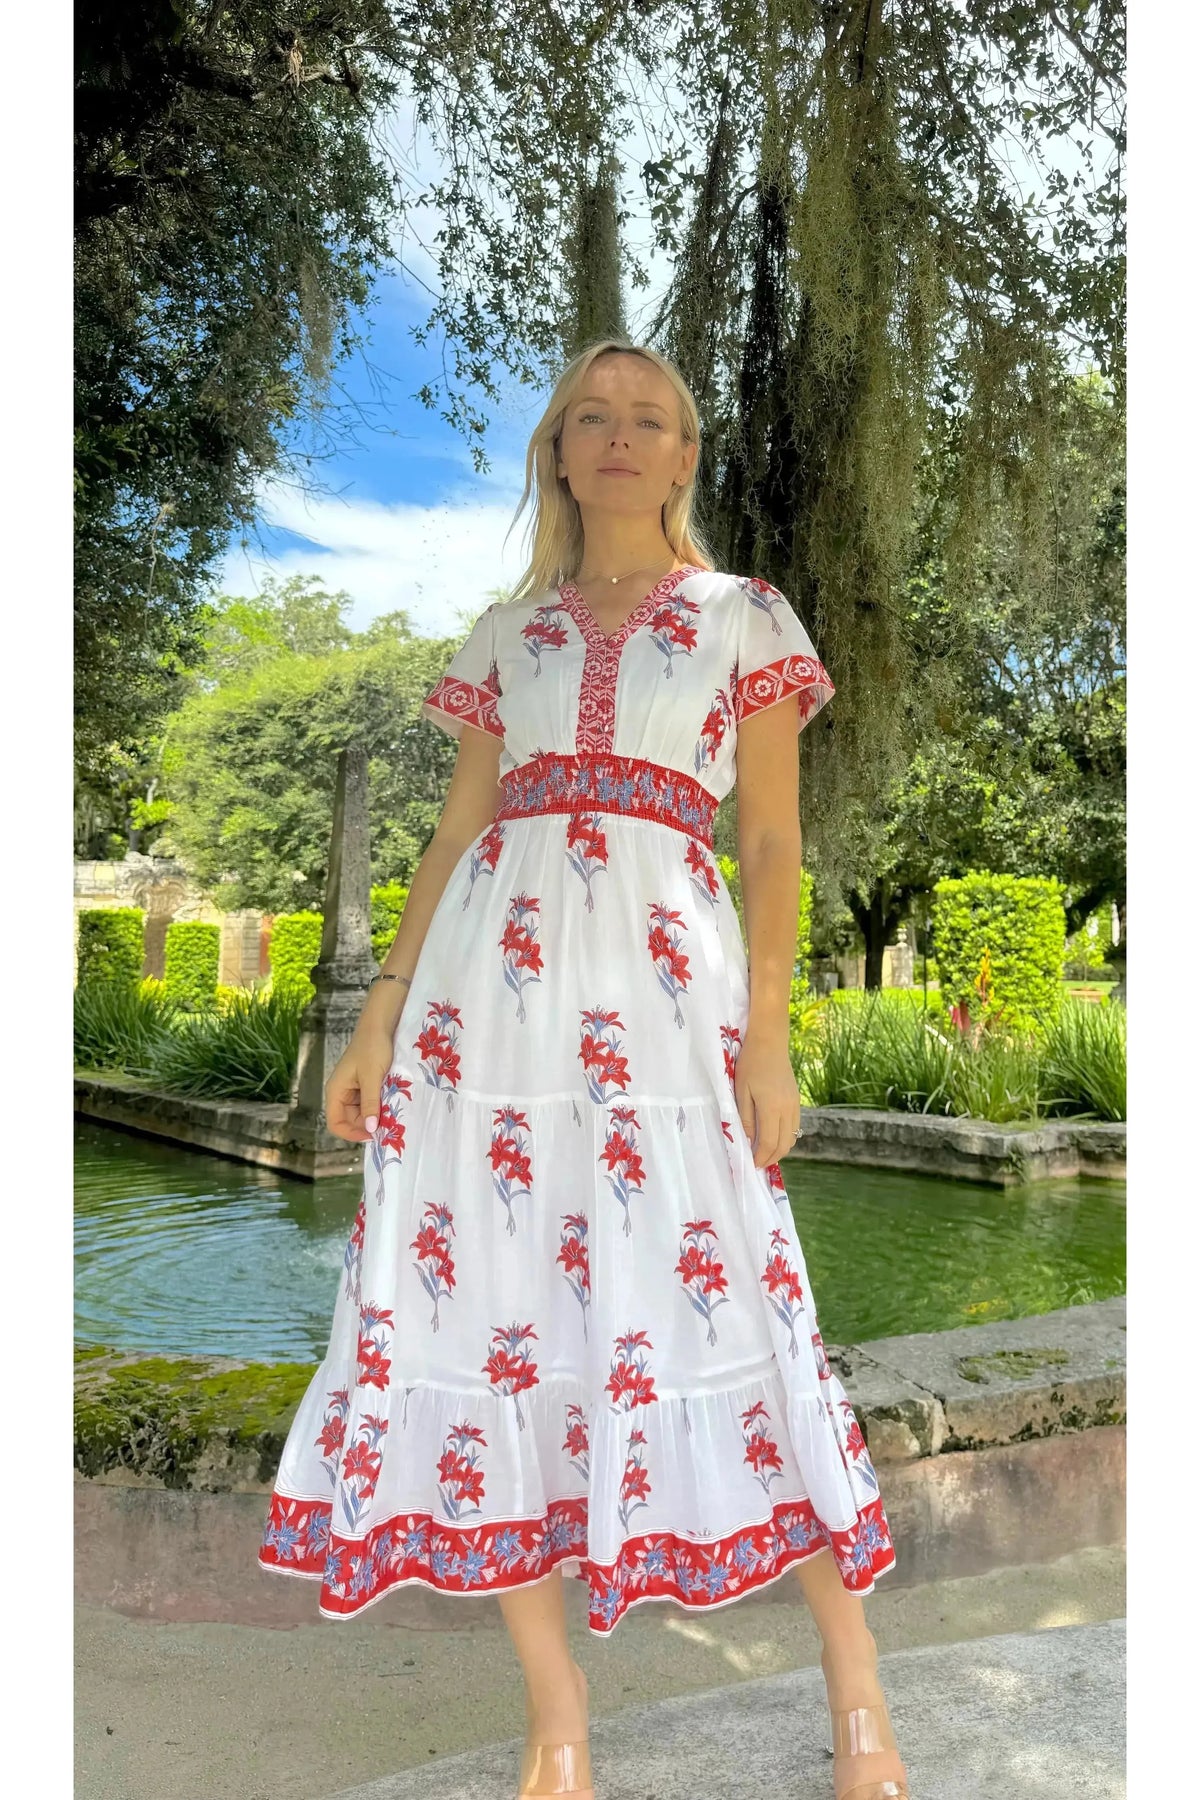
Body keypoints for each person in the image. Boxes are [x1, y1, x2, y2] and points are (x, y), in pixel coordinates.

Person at [257, 339, 910, 1800]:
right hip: (487, 1018)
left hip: (670, 1014)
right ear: (557, 449)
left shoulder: (744, 616)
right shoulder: (508, 633)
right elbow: (455, 835)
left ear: (686, 456)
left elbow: (772, 843)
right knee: (485, 1309)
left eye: (651, 419)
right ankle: (558, 1718)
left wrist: (771, 1037)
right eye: (592, 417)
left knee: (739, 1298)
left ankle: (857, 1677)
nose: (621, 437)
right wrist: (379, 1017)